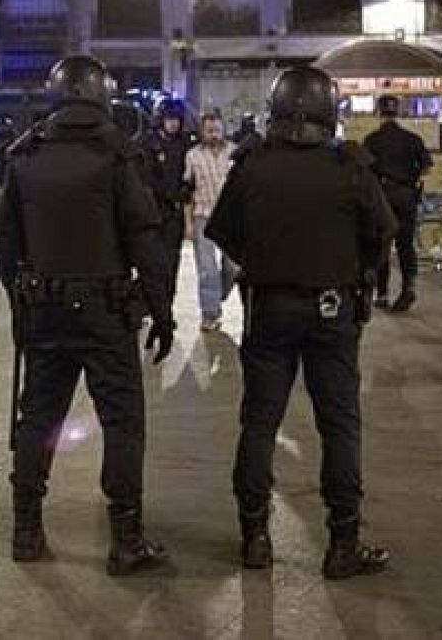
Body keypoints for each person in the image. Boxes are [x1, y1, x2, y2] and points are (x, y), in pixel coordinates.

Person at [205, 65, 396, 580]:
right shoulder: (350, 166)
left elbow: (222, 231)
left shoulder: (252, 165)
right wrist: (356, 271)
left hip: (269, 309)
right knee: (339, 426)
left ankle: (254, 538)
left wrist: (264, 262)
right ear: (328, 112)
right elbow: (382, 234)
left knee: (260, 422)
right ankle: (342, 543)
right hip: (332, 312)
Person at [0, 55, 178, 577]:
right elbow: (145, 240)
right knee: (122, 423)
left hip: (45, 310)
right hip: (105, 310)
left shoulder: (25, 155)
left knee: (37, 419)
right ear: (101, 95)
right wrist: (162, 313)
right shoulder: (118, 154)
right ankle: (126, 539)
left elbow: (10, 243)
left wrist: (19, 303)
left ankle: (26, 530)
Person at [361, 95, 433, 313]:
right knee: (405, 244)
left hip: (383, 198)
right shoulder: (412, 139)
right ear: (398, 113)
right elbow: (427, 167)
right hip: (406, 196)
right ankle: (408, 286)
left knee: (381, 245)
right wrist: (410, 177)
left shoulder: (372, 140)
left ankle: (381, 294)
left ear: (378, 113)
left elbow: (365, 171)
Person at [141, 98, 193, 349]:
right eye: (169, 119)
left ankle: (166, 312)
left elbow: (189, 173)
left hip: (173, 216)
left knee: (170, 268)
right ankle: (152, 310)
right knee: (153, 269)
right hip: (153, 215)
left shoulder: (184, 144)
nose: (173, 124)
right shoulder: (148, 144)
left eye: (177, 120)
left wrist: (185, 190)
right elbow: (146, 180)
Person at [185, 112, 239, 332]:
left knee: (233, 267)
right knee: (207, 269)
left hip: (230, 218)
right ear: (202, 132)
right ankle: (210, 313)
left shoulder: (235, 153)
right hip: (202, 216)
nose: (214, 134)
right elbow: (186, 191)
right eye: (209, 130)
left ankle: (219, 294)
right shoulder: (192, 156)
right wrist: (187, 223)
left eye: (217, 129)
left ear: (224, 129)